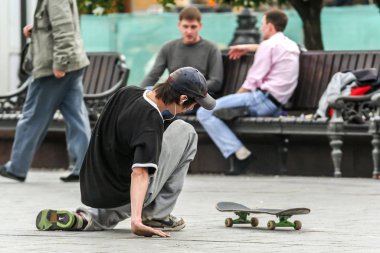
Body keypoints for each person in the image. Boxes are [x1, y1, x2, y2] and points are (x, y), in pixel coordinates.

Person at [35, 67, 216, 237]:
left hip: (94, 188)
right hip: (124, 193)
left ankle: (84, 218)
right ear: (183, 99)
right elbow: (139, 172)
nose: (191, 109)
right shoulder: (150, 122)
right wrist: (136, 221)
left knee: (110, 206)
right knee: (186, 132)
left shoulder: (126, 93)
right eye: (193, 104)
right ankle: (157, 216)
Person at [197, 9, 300, 176]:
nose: (260, 28)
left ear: (270, 26)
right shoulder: (291, 45)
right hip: (277, 105)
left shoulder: (269, 46)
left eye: (262, 24)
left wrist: (234, 99)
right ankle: (239, 152)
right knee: (219, 111)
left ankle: (240, 154)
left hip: (260, 100)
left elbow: (252, 81)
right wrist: (250, 47)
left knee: (205, 111)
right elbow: (273, 48)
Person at [0, 0, 91, 183]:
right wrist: (36, 29)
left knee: (32, 116)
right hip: (71, 65)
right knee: (76, 116)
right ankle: (84, 168)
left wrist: (61, 63)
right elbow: (59, 24)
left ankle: (17, 167)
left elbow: (64, 30)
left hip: (54, 69)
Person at [141, 6, 223, 98]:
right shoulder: (168, 47)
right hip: (172, 96)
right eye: (185, 26)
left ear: (200, 26)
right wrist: (137, 94)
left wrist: (186, 90)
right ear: (179, 25)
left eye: (193, 27)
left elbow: (216, 82)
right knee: (147, 90)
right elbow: (153, 76)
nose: (189, 31)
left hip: (197, 98)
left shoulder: (211, 48)